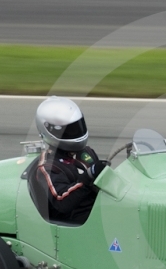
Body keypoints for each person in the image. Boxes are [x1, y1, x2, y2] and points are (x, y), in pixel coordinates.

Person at [30, 96, 109, 224]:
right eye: (69, 130)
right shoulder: (48, 167)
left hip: (98, 212)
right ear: (49, 130)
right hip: (75, 223)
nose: (76, 132)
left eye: (78, 127)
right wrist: (88, 177)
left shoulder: (86, 153)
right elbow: (62, 201)